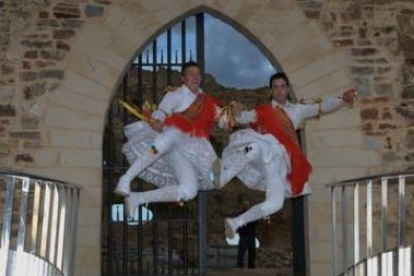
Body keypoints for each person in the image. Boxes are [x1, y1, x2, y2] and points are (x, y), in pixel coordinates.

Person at [219, 72, 357, 238]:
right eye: (275, 87)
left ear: (287, 89)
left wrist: (341, 100)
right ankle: (222, 175)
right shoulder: (263, 110)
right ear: (271, 90)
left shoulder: (297, 110)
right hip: (262, 149)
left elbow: (320, 107)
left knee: (276, 203)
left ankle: (235, 223)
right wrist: (234, 113)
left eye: (282, 86)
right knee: (253, 148)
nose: (279, 90)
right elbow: (245, 116)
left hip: (278, 162)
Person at [114, 61, 225, 218]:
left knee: (189, 191)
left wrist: (236, 114)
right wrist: (157, 120)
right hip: (171, 142)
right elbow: (161, 111)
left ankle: (137, 198)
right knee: (168, 137)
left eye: (197, 74)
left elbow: (224, 119)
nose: (195, 77)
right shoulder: (175, 95)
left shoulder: (207, 102)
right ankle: (126, 179)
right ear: (183, 78)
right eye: (191, 74)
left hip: (190, 151)